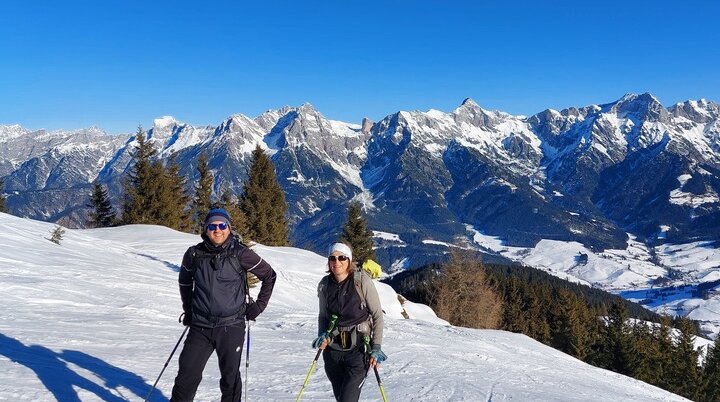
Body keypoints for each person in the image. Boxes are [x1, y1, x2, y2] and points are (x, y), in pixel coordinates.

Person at [171, 208, 276, 402]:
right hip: (200, 326)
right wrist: (188, 310)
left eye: (222, 225)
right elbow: (184, 282)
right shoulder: (194, 254)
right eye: (212, 225)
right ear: (206, 229)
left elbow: (269, 275)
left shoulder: (241, 253)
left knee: (230, 379)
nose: (217, 230)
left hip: (231, 326)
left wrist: (259, 306)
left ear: (229, 228)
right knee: (186, 376)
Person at [313, 242, 387, 402]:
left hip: (359, 353)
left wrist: (376, 347)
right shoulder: (325, 285)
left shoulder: (361, 281)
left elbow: (377, 316)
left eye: (342, 258)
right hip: (333, 354)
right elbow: (323, 316)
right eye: (332, 258)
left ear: (349, 261)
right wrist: (322, 335)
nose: (336, 262)